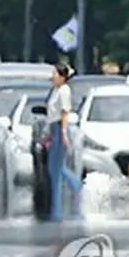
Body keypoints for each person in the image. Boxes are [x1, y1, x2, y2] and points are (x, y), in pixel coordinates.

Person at [46, 63, 82, 221]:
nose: (52, 77)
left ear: (62, 77)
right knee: (55, 169)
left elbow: (65, 113)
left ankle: (58, 211)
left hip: (60, 129)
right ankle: (57, 209)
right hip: (54, 129)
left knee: (57, 169)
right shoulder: (56, 90)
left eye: (55, 74)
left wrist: (63, 133)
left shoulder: (65, 91)